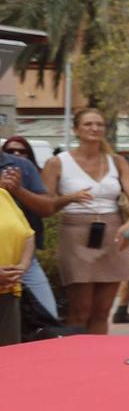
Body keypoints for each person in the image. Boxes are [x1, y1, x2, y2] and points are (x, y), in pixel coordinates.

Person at [48, 109, 129, 334]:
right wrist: (69, 197)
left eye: (99, 124)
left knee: (102, 310)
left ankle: (96, 361)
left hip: (113, 231)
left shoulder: (117, 161)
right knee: (80, 309)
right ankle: (73, 360)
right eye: (88, 124)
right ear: (76, 129)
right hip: (76, 233)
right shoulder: (58, 162)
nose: (94, 128)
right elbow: (46, 204)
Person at [1, 136, 59, 323]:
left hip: (22, 263)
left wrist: (18, 190)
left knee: (49, 319)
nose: (16, 154)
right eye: (11, 150)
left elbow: (43, 214)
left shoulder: (22, 167)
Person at [0, 183, 32, 345]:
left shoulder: (3, 195)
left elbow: (28, 234)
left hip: (9, 290)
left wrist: (22, 267)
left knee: (9, 359)